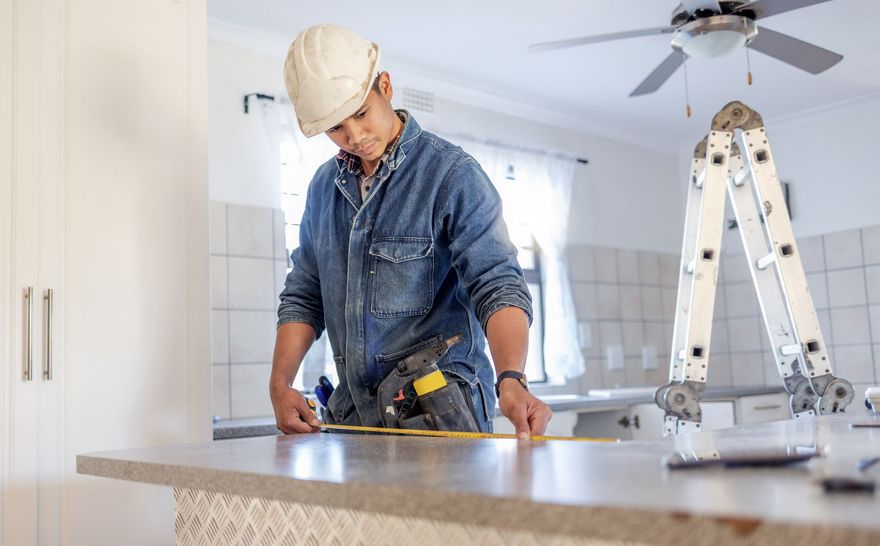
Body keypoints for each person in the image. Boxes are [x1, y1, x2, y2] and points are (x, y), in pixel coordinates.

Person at [269, 24, 551, 439]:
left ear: (385, 86)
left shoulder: (451, 175)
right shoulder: (321, 189)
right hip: (354, 420)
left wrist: (512, 377)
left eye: (361, 114)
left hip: (441, 416)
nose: (355, 137)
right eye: (335, 129)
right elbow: (304, 293)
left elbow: (498, 285)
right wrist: (280, 384)